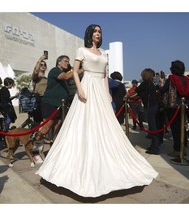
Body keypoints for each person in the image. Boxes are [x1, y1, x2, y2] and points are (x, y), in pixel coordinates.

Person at [35, 24, 158, 198]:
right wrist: (80, 88)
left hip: (100, 89)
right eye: (95, 31)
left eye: (100, 32)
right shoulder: (82, 50)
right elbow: (75, 72)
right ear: (89, 34)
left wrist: (107, 93)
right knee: (84, 123)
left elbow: (104, 74)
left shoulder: (103, 54)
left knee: (105, 124)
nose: (98, 34)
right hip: (87, 87)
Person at [34, 55, 75, 143]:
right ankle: (35, 148)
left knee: (57, 127)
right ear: (59, 62)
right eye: (65, 61)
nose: (68, 63)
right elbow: (66, 76)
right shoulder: (55, 70)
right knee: (47, 126)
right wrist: (81, 69)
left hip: (60, 105)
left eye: (68, 61)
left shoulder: (63, 73)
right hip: (50, 103)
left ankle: (54, 149)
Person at [160, 60, 189, 157]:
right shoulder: (186, 79)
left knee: (175, 129)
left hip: (173, 107)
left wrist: (160, 84)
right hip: (183, 105)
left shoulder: (171, 79)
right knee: (183, 127)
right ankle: (183, 148)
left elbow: (163, 89)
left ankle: (177, 150)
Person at [130, 68, 161, 155]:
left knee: (153, 128)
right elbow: (139, 95)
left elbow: (135, 92)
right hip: (155, 106)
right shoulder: (151, 83)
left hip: (150, 107)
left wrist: (126, 96)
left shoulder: (145, 83)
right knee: (155, 127)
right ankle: (155, 145)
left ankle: (155, 148)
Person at [32, 54, 48, 124]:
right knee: (39, 120)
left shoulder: (46, 78)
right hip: (39, 99)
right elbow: (36, 71)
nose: (43, 66)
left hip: (46, 99)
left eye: (44, 65)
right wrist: (40, 59)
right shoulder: (36, 77)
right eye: (41, 65)